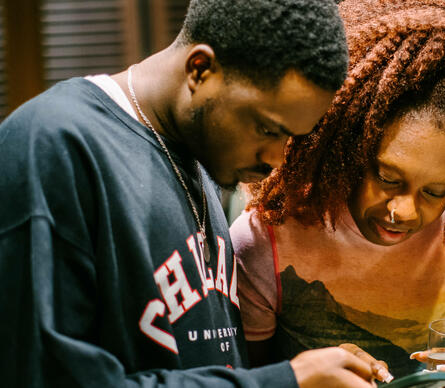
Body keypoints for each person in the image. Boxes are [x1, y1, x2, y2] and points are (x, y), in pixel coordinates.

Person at [0, 0, 379, 387]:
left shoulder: (200, 158)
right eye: (267, 129)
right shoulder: (54, 145)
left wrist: (308, 369)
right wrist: (284, 381)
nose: (275, 159)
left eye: (290, 139)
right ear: (201, 69)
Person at [230, 0, 445, 387]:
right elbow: (251, 377)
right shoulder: (266, 241)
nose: (403, 211)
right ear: (351, 145)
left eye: (435, 191)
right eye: (387, 177)